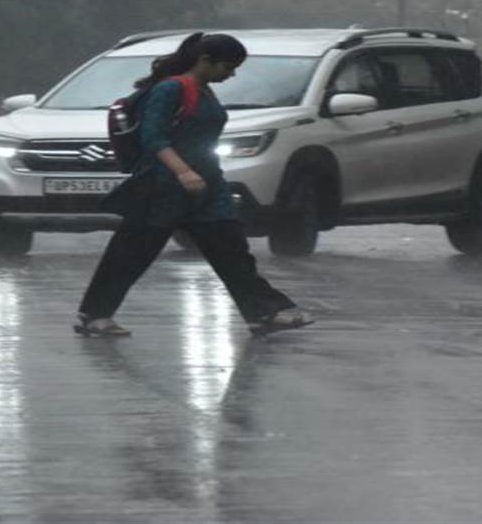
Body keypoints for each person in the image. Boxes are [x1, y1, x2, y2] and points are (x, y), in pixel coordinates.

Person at [75, 32, 313, 337]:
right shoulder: (170, 89)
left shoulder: (204, 91)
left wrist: (203, 177)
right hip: (162, 187)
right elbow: (154, 138)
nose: (232, 74)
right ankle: (94, 315)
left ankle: (264, 313)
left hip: (207, 189)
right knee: (131, 253)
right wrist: (183, 172)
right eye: (228, 67)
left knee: (232, 252)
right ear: (205, 60)